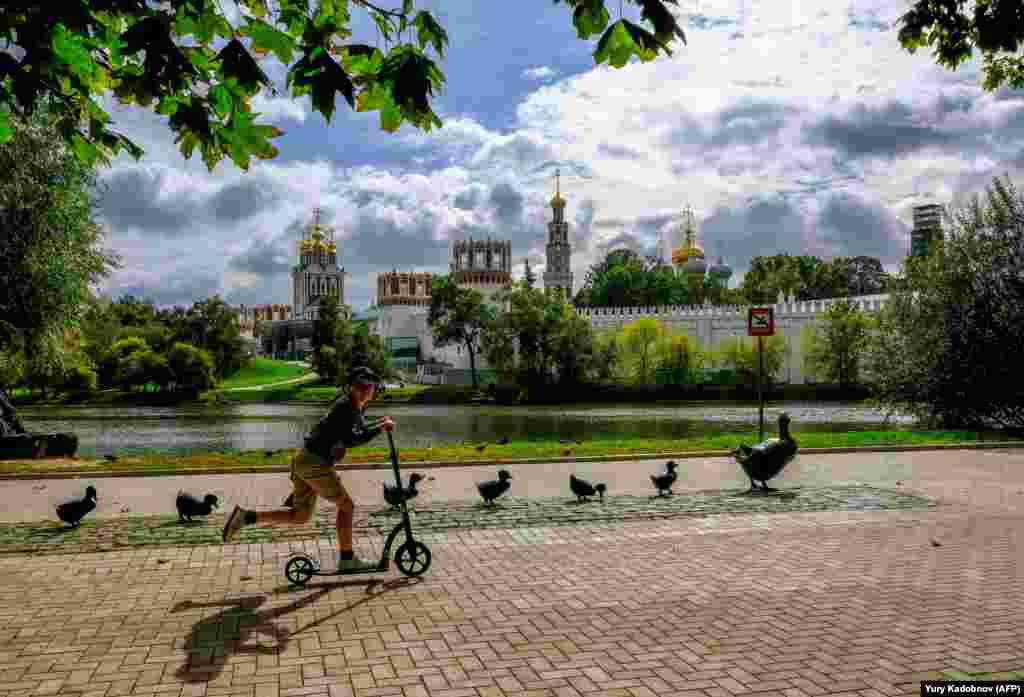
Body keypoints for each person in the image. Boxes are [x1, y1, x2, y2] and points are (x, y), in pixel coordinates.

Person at [222, 366, 394, 572]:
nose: (364, 391)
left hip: (305, 460)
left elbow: (360, 429)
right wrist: (380, 429)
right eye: (359, 386)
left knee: (300, 516)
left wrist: (379, 423)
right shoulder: (346, 408)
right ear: (352, 387)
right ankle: (347, 559)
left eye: (368, 387)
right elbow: (352, 439)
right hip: (314, 463)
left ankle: (246, 517)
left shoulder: (353, 406)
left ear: (374, 388)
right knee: (347, 506)